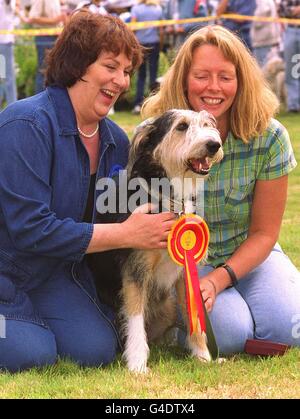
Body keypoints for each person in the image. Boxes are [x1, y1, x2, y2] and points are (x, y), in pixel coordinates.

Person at [0, 11, 175, 373]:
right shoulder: (24, 124)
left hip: (56, 275)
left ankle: (29, 325)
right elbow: (31, 228)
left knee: (96, 349)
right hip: (7, 271)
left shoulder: (114, 139)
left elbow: (130, 212)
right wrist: (125, 233)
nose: (121, 80)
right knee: (32, 354)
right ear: (77, 64)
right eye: (110, 66)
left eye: (126, 71)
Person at [142, 24, 300, 355]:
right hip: (184, 261)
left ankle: (249, 313)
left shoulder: (270, 137)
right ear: (184, 79)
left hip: (251, 255)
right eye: (202, 75)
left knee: (290, 327)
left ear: (241, 81)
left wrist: (219, 280)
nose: (214, 87)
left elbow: (264, 233)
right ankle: (174, 325)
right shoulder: (159, 133)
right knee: (229, 336)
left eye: (225, 77)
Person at [131, 0, 163, 115]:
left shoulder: (136, 8)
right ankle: (154, 104)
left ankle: (138, 104)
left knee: (141, 75)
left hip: (141, 45)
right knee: (153, 76)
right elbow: (160, 30)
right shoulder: (158, 9)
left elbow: (133, 28)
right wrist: (161, 44)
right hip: (154, 44)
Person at [27, 0, 66, 94]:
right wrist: (54, 20)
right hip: (44, 37)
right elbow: (32, 18)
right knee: (43, 71)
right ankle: (39, 104)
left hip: (56, 36)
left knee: (54, 71)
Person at [278, 0, 300, 113]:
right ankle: (294, 105)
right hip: (291, 30)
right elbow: (281, 10)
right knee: (292, 70)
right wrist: (294, 10)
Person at [0, 0, 19, 108]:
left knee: (3, 76)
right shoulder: (7, 3)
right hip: (5, 42)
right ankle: (13, 107)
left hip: (4, 42)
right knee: (8, 78)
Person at [250, 0, 281, 67]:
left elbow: (259, 21)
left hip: (263, 40)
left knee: (261, 69)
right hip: (267, 39)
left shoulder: (264, 2)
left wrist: (251, 21)